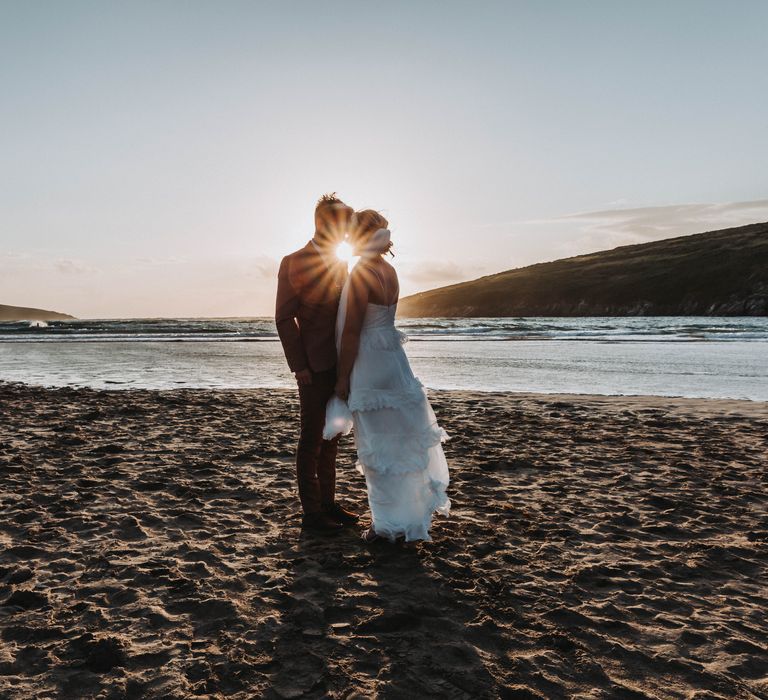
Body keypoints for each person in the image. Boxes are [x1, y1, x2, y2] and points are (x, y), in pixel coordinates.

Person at [333, 209, 451, 542]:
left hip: (369, 364)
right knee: (401, 444)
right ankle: (408, 519)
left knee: (377, 448)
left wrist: (342, 379)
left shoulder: (362, 273)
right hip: (394, 360)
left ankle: (385, 526)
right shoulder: (390, 271)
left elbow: (352, 333)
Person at [275, 193, 360, 533]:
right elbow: (284, 318)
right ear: (324, 223)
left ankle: (329, 503)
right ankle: (311, 514)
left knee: (332, 436)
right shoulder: (293, 261)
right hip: (311, 365)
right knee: (310, 438)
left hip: (340, 364)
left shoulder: (341, 262)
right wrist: (299, 366)